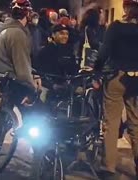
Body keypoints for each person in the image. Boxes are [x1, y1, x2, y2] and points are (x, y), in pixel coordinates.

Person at [95, 0, 138, 179]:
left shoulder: (116, 27)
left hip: (117, 77)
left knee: (111, 122)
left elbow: (104, 52)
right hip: (136, 79)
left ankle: (109, 166)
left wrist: (96, 70)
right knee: (135, 123)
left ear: (127, 8)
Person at [0, 0, 41, 114]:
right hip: (12, 86)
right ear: (27, 14)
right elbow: (22, 67)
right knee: (40, 113)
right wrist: (32, 91)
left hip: (2, 82)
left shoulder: (6, 30)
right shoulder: (17, 34)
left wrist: (34, 73)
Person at [34, 24, 79, 103]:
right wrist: (51, 85)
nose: (65, 36)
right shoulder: (45, 51)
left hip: (65, 88)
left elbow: (73, 69)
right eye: (61, 33)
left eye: (67, 34)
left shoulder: (69, 51)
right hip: (47, 87)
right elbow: (39, 71)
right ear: (53, 35)